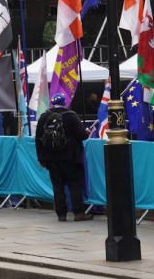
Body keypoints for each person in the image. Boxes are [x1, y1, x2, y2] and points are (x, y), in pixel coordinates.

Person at [35, 93, 93, 222]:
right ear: (64, 103)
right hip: (71, 157)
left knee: (57, 186)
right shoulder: (71, 116)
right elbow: (82, 136)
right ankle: (78, 213)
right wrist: (87, 132)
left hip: (51, 158)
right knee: (74, 184)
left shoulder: (44, 116)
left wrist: (40, 158)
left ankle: (61, 214)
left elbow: (38, 139)